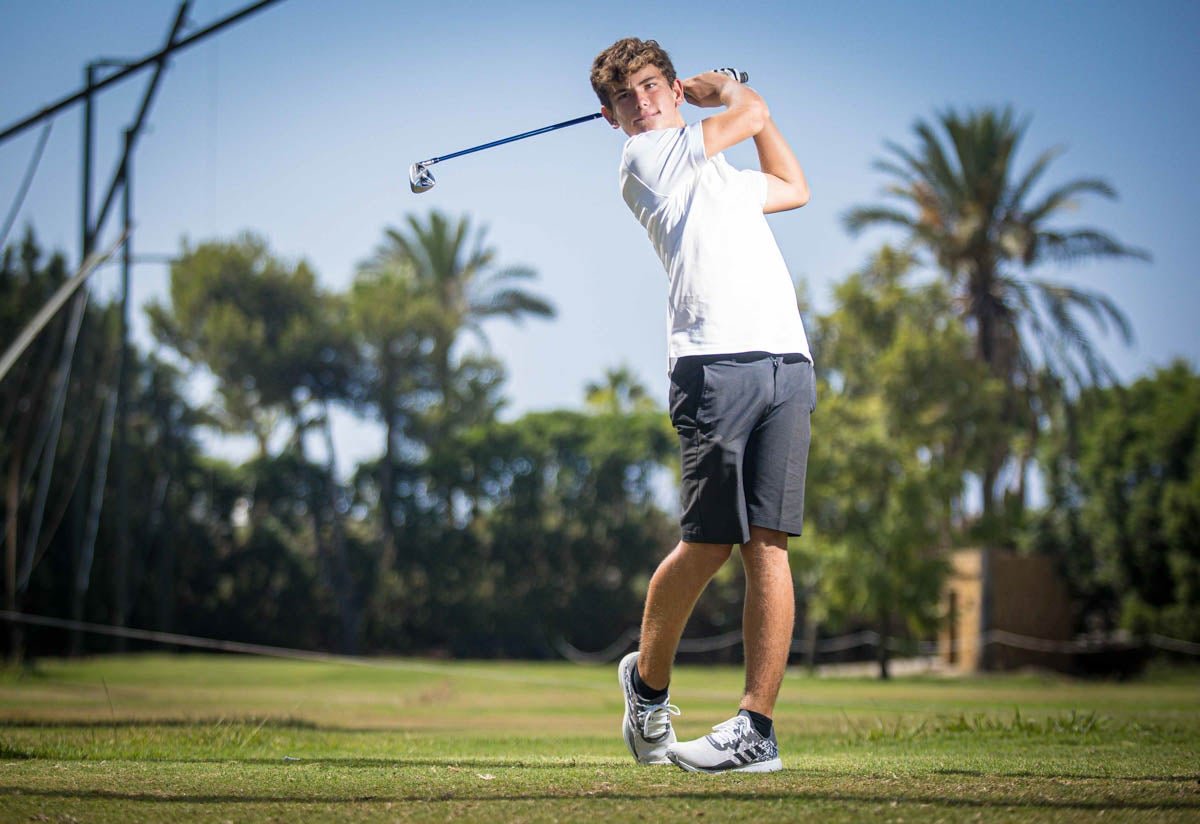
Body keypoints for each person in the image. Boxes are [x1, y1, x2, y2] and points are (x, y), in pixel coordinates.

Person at [590, 38, 815, 774]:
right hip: (712, 364)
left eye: (654, 86)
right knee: (709, 543)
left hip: (787, 359)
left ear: (670, 89)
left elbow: (792, 183)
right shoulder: (646, 161)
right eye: (628, 96)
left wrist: (744, 108)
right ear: (613, 117)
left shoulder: (719, 177)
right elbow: (749, 112)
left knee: (769, 544)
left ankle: (756, 729)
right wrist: (727, 92)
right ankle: (647, 685)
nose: (645, 101)